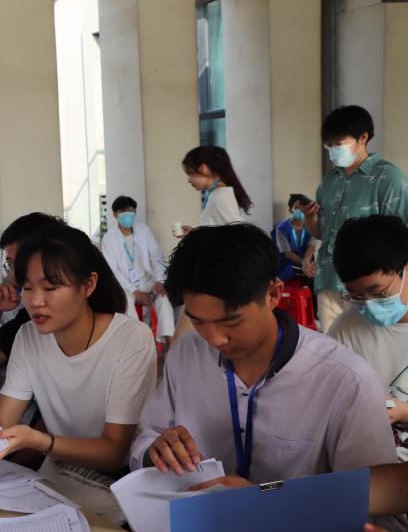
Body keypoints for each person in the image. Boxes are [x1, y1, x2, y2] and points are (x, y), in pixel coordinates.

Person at [129, 224, 396, 493]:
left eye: (231, 322)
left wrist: (265, 499)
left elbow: (375, 502)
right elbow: (145, 441)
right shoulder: (186, 354)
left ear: (273, 295)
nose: (216, 339)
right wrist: (155, 453)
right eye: (198, 322)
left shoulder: (346, 381)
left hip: (298, 521)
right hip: (194, 514)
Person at [0, 221, 157, 519]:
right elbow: (0, 423)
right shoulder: (28, 336)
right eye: (27, 288)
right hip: (60, 477)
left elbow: (114, 452)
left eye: (51, 288)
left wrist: (40, 441)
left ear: (88, 285)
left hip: (119, 487)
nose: (36, 301)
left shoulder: (130, 338)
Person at [304, 105, 408, 333]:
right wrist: (310, 217)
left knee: (373, 341)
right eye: (329, 145)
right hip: (329, 278)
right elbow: (321, 233)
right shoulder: (330, 180)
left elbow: (401, 237)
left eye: (339, 144)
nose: (333, 150)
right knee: (335, 342)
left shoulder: (387, 177)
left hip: (370, 286)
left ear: (363, 138)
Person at [329, 215, 408, 423]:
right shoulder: (344, 330)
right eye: (356, 295)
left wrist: (403, 412)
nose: (369, 304)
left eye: (378, 292)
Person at [0, 212, 64, 369]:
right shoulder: (28, 321)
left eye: (22, 264)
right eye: (10, 265)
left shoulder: (104, 329)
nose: (15, 276)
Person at [101, 195, 175, 344]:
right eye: (123, 211)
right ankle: (139, 343)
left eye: (131, 210)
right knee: (127, 303)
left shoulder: (143, 230)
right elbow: (113, 271)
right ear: (115, 214)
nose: (128, 214)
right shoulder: (109, 239)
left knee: (163, 299)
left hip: (147, 281)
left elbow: (157, 256)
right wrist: (134, 292)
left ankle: (170, 342)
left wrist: (160, 281)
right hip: (125, 286)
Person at [181, 145, 252, 231]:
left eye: (190, 173)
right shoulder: (217, 194)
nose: (189, 180)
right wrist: (193, 233)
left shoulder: (220, 197)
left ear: (203, 169)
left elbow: (239, 232)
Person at [274, 194, 319, 283]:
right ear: (290, 210)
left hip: (308, 264)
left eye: (303, 207)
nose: (301, 210)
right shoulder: (281, 228)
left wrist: (306, 262)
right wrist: (303, 263)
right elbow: (287, 253)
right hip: (288, 268)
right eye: (297, 208)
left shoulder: (311, 225)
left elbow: (311, 246)